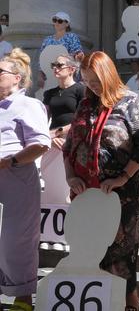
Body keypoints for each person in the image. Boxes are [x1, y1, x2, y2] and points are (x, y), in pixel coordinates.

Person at [63, 51, 139, 311]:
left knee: (120, 249)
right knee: (89, 248)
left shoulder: (131, 102)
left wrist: (123, 176)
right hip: (86, 192)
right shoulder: (85, 104)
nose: (91, 85)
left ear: (109, 74)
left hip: (121, 192)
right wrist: (70, 176)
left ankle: (130, 303)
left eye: (96, 80)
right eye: (87, 80)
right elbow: (68, 147)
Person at [0, 48, 51, 311]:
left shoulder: (28, 105)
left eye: (0, 72)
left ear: (17, 77)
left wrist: (10, 161)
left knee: (17, 240)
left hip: (16, 179)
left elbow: (41, 143)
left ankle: (23, 299)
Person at [43, 54, 85, 151]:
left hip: (74, 139)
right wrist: (49, 137)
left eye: (59, 65)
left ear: (72, 69)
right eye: (53, 65)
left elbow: (83, 119)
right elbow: (43, 119)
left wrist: (56, 133)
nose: (55, 68)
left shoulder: (81, 90)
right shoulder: (49, 93)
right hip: (53, 141)